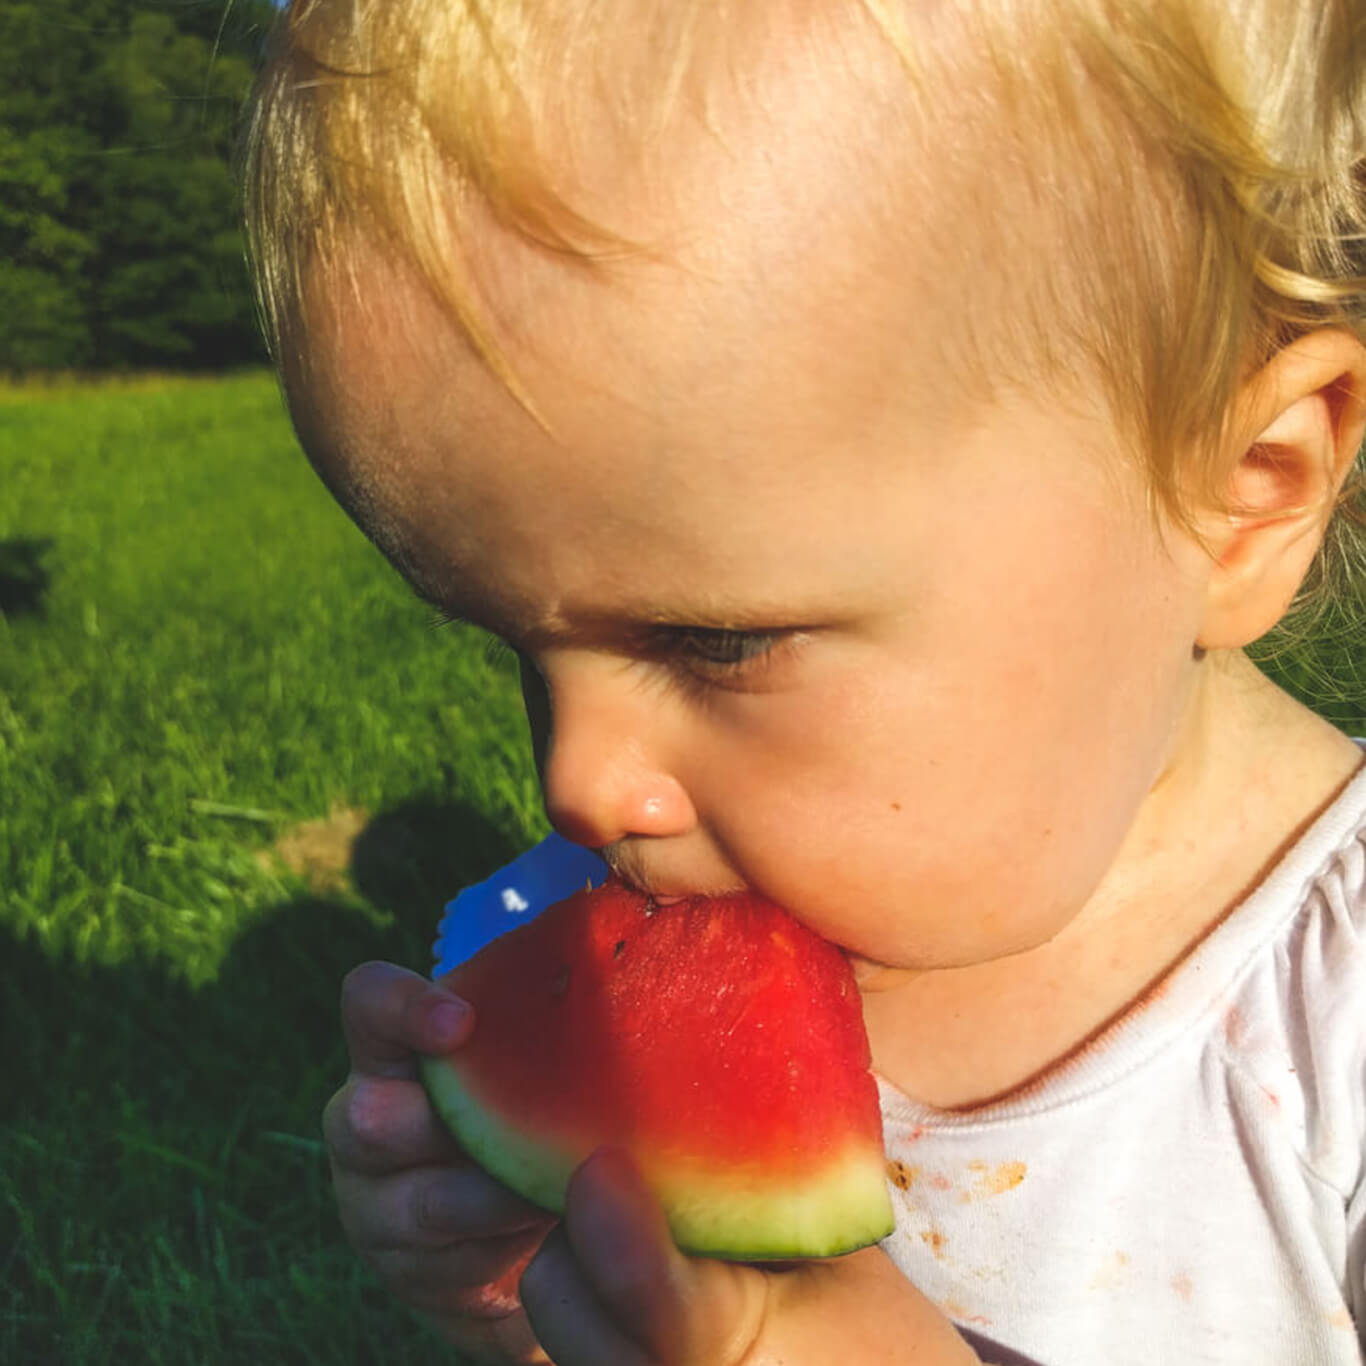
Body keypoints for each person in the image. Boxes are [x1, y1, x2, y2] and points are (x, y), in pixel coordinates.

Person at [242, 1, 1366, 1361]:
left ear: (1236, 498)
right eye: (507, 643)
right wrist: (526, 1292)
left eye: (715, 641)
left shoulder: (1332, 1032)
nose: (578, 780)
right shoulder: (611, 910)